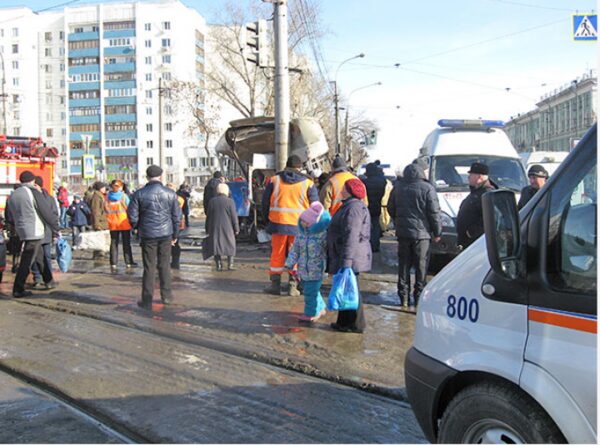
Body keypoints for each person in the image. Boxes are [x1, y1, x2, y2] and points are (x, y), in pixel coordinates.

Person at [261, 154, 319, 296]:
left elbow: (264, 203)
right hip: (299, 226)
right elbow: (315, 207)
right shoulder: (308, 183)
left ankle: (275, 285)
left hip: (278, 223)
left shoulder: (274, 180)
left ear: (286, 165)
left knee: (277, 253)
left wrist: (266, 220)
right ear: (300, 168)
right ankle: (293, 286)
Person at [388, 163, 442, 309]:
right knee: (421, 266)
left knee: (404, 266)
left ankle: (403, 297)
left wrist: (399, 221)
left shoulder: (398, 188)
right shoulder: (427, 188)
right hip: (422, 235)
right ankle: (419, 298)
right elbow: (434, 212)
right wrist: (437, 232)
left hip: (403, 234)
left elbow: (390, 208)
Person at [127, 165, 181, 309]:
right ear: (161, 176)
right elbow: (177, 216)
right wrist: (175, 235)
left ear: (147, 177)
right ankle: (167, 296)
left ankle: (147, 300)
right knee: (164, 266)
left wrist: (138, 227)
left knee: (149, 267)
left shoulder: (139, 194)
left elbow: (132, 216)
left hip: (148, 235)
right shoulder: (170, 193)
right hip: (165, 234)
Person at [327, 178, 371, 333]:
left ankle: (357, 324)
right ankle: (344, 323)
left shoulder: (353, 208)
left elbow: (352, 235)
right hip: (347, 254)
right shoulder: (349, 206)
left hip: (351, 256)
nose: (341, 191)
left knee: (352, 289)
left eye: (344, 188)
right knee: (346, 288)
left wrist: (346, 261)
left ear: (350, 191)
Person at [7, 171, 59, 298]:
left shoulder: (14, 195)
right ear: (32, 181)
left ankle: (49, 280)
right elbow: (45, 211)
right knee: (27, 260)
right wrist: (56, 227)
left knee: (39, 256)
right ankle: (18, 288)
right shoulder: (33, 192)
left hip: (22, 230)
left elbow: (10, 216)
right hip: (35, 230)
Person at [284, 201, 331, 323]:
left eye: (305, 221)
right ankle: (320, 308)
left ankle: (310, 313)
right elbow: (295, 249)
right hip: (303, 269)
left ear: (312, 223)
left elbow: (329, 250)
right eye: (302, 220)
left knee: (310, 293)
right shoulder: (301, 235)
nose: (302, 222)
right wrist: (290, 263)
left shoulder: (322, 235)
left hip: (316, 269)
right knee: (311, 290)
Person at [456, 162, 497, 250]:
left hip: (477, 243)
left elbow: (491, 219)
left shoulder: (487, 194)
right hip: (469, 243)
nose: (468, 177)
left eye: (471, 174)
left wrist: (472, 233)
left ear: (480, 177)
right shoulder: (477, 192)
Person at [29, 176, 60, 290]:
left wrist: (55, 229)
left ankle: (40, 278)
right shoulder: (49, 198)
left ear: (36, 185)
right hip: (45, 232)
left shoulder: (39, 198)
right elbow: (55, 214)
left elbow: (53, 214)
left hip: (40, 232)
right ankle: (45, 279)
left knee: (39, 257)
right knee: (43, 257)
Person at [206, 183, 239, 271]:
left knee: (216, 246)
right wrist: (236, 228)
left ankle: (218, 265)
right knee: (230, 245)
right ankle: (230, 264)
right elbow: (234, 216)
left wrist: (207, 228)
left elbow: (208, 216)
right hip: (228, 227)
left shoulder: (212, 201)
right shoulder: (230, 201)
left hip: (215, 227)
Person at [106, 179, 136, 269]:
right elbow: (130, 208)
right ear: (121, 187)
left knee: (114, 243)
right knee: (126, 243)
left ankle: (113, 263)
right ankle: (128, 261)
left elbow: (105, 209)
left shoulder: (107, 197)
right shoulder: (124, 196)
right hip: (124, 223)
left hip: (112, 223)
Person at [361, 162, 387, 252]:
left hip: (366, 207)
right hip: (377, 205)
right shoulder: (382, 182)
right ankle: (375, 246)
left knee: (366, 226)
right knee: (375, 225)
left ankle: (367, 245)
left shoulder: (364, 182)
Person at [167, 182, 185, 270]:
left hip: (173, 223)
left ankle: (174, 262)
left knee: (174, 243)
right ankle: (175, 262)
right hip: (177, 223)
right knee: (175, 243)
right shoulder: (179, 199)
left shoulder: (177, 199)